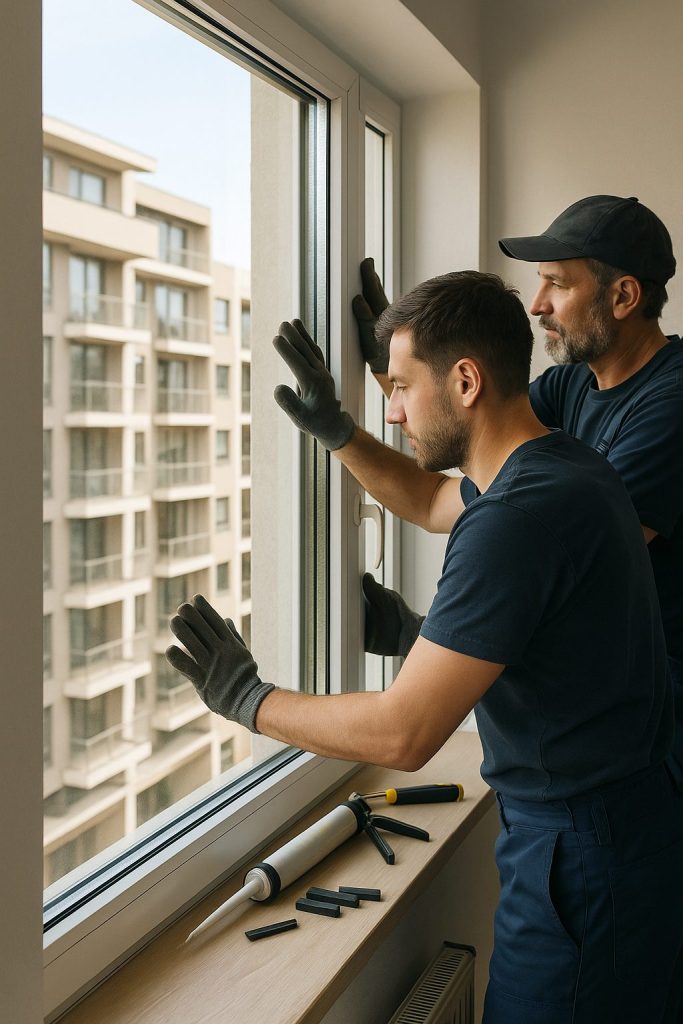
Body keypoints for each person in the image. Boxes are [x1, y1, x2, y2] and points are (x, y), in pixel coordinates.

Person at [166, 272, 683, 1023]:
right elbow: (527, 617)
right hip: (625, 837)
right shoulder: (565, 467)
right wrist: (341, 434)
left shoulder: (516, 517)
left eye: (403, 385)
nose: (393, 406)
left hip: (583, 865)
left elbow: (401, 735)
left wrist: (249, 698)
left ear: (466, 380)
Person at [359, 196, 683, 782]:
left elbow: (564, 562)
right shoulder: (573, 387)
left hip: (648, 725)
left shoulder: (672, 405)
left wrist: (422, 638)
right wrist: (404, 369)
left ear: (624, 296)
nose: (538, 306)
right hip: (598, 711)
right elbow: (457, 462)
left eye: (557, 284)